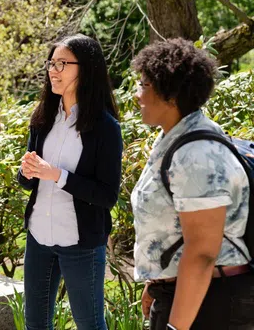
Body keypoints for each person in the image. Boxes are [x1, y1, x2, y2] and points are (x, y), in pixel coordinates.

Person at [131, 39, 253, 329]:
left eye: (143, 85)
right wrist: (159, 280)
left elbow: (202, 252)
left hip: (212, 305)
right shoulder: (178, 137)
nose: (137, 95)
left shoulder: (196, 157)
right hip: (190, 295)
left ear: (170, 95)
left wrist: (176, 326)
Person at [17, 34, 122, 330]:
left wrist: (57, 175)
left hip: (81, 243)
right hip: (39, 237)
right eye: (51, 63)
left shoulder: (105, 128)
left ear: (85, 69)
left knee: (90, 325)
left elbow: (107, 195)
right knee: (35, 324)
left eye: (62, 63)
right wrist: (26, 172)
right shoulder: (44, 117)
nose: (53, 70)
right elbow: (29, 181)